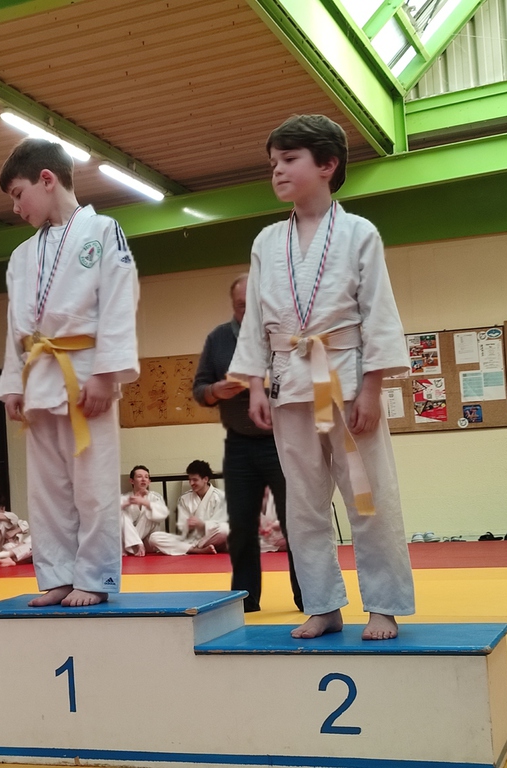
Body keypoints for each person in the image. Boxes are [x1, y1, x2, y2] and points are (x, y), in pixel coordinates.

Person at [229, 114, 415, 640]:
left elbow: (378, 313)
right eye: (274, 162)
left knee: (368, 497)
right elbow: (255, 322)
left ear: (328, 164)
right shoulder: (267, 241)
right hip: (290, 383)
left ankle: (383, 604)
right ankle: (323, 604)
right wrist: (255, 385)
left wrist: (373, 389)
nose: (277, 170)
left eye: (289, 159)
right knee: (304, 502)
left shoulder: (360, 233)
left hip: (347, 382)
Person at [0, 138, 139, 607]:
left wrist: (106, 375)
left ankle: (94, 578)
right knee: (47, 490)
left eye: (18, 194)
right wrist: (13, 384)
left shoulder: (103, 231)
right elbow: (16, 325)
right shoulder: (21, 255)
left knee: (93, 485)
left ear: (47, 179)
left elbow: (119, 302)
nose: (16, 207)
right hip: (39, 377)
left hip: (85, 373)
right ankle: (57, 575)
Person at [194, 274, 302, 612]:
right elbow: (199, 389)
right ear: (232, 305)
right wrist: (215, 391)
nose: (247, 311)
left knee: (297, 521)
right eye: (240, 306)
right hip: (239, 443)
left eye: (252, 305)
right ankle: (245, 599)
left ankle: (310, 596)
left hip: (284, 440)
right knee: (241, 526)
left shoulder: (285, 334)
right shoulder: (219, 339)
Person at [148, 461, 229, 555]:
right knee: (154, 537)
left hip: (211, 537)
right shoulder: (184, 498)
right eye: (189, 480)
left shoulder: (220, 497)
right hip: (191, 540)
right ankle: (198, 550)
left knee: (225, 529)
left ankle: (194, 548)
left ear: (205, 479)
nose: (191, 483)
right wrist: (187, 526)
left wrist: (202, 524)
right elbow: (183, 529)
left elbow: (220, 523)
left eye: (195, 480)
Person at [120, 465, 168, 556]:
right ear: (132, 481)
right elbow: (110, 515)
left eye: (146, 477)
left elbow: (162, 516)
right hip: (128, 541)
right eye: (139, 476)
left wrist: (145, 503)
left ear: (149, 481)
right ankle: (137, 543)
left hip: (148, 542)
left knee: (149, 512)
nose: (143, 479)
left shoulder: (155, 497)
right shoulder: (124, 498)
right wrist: (127, 503)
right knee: (121, 513)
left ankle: (135, 544)